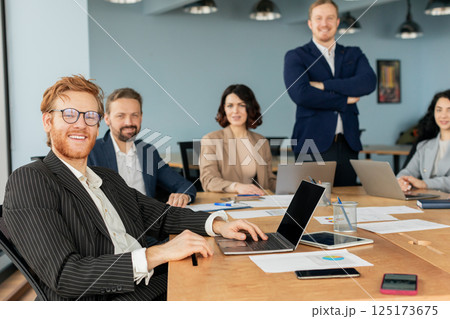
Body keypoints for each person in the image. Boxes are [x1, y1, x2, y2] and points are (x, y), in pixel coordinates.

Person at [2, 75, 267, 301]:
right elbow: (66, 276)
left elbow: (162, 215)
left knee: (233, 271)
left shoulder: (106, 178)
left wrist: (218, 224)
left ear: (98, 123)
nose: (81, 124)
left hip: (143, 281)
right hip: (106, 298)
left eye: (90, 116)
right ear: (48, 122)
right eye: (69, 115)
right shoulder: (31, 180)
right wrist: (159, 253)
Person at [283, 0, 376, 186]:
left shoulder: (353, 54)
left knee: (347, 201)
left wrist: (324, 85)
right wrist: (344, 99)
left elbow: (368, 83)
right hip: (311, 145)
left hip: (348, 144)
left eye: (329, 18)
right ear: (310, 23)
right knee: (312, 205)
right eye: (318, 18)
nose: (324, 23)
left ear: (337, 21)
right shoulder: (296, 56)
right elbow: (301, 94)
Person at [88, 88, 195, 208]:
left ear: (141, 117)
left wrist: (183, 196)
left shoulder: (148, 152)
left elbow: (185, 185)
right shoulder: (92, 151)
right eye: (121, 116)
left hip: (148, 221)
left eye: (134, 115)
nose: (129, 122)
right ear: (107, 119)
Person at [200, 84, 276, 195]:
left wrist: (294, 185)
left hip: (258, 203)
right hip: (226, 203)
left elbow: (269, 181)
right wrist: (236, 187)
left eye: (241, 105)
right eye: (230, 106)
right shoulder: (211, 140)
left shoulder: (261, 141)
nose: (235, 111)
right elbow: (208, 180)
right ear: (224, 109)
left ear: (250, 108)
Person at [397, 90, 450, 193]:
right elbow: (408, 172)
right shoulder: (424, 146)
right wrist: (401, 181)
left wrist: (424, 184)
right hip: (427, 201)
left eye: (449, 110)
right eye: (439, 110)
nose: (443, 115)